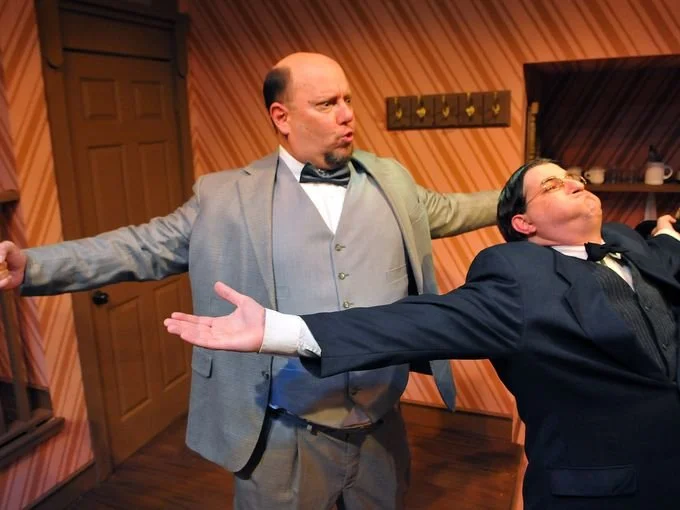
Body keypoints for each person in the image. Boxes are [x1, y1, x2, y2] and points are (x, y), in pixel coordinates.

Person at [0, 52, 500, 509]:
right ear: (282, 117)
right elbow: (141, 245)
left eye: (348, 100)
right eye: (327, 104)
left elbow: (454, 209)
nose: (347, 114)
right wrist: (35, 265)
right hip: (282, 438)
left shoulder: (392, 182)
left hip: (381, 432)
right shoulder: (224, 198)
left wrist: (525, 194)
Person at [162, 159, 680, 509]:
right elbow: (414, 323)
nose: (572, 183)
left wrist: (666, 231)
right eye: (550, 185)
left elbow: (666, 258)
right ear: (523, 225)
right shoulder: (518, 278)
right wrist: (281, 329)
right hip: (610, 489)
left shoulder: (632, 245)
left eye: (572, 177)